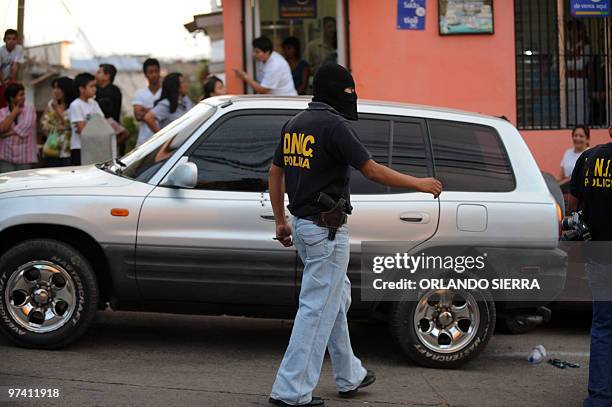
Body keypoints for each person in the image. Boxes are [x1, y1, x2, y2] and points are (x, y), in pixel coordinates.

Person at [267, 64, 443, 407]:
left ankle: (349, 374)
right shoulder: (333, 125)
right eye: (349, 90)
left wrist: (280, 221)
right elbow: (372, 170)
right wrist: (419, 184)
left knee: (335, 300)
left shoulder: (294, 124)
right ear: (336, 90)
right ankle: (290, 392)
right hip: (326, 232)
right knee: (316, 309)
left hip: (304, 228)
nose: (353, 95)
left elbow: (275, 173)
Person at [569, 126, 612, 407]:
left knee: (603, 326)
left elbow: (573, 203)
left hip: (599, 253)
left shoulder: (588, 158)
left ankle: (599, 398)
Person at [0, 82, 37, 173]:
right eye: (20, 95)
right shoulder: (2, 112)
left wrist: (5, 135)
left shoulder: (30, 109)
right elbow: (1, 128)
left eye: (24, 94)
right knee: (6, 185)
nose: (23, 97)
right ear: (12, 98)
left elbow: (26, 126)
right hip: (6, 156)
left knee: (24, 184)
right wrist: (13, 114)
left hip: (25, 156)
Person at [69, 72, 103, 165]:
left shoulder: (94, 103)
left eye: (94, 86)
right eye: (91, 86)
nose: (94, 89)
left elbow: (103, 124)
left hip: (93, 147)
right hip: (79, 148)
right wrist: (93, 126)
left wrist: (86, 125)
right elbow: (82, 130)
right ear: (81, 89)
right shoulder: (76, 105)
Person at [40, 77, 75, 167]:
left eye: (58, 88)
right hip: (52, 148)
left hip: (68, 151)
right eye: (54, 88)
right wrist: (59, 128)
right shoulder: (51, 104)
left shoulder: (74, 105)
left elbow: (71, 125)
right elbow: (43, 124)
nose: (55, 91)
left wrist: (58, 111)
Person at [132, 58, 162, 146]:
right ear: (145, 74)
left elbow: (169, 113)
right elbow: (138, 116)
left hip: (162, 141)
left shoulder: (165, 92)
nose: (154, 75)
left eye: (156, 71)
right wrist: (159, 111)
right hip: (144, 142)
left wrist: (145, 110)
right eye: (151, 72)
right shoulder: (139, 93)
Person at [0, 29, 25, 109]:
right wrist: (4, 83)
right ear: (4, 40)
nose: (11, 41)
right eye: (9, 39)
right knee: (3, 104)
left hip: (10, 80)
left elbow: (15, 65)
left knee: (14, 102)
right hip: (1, 81)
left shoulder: (19, 49)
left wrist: (12, 82)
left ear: (17, 40)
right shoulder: (1, 51)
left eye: (14, 39)